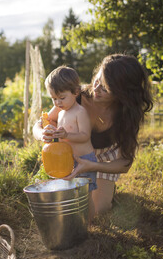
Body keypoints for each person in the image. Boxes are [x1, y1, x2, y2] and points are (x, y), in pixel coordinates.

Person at [33, 54, 153, 218]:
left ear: (122, 92)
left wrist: (92, 166)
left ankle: (107, 186)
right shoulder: (77, 96)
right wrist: (42, 134)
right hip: (74, 153)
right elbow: (40, 123)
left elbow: (125, 163)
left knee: (98, 212)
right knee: (72, 206)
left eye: (105, 88)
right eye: (97, 80)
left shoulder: (126, 114)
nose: (96, 89)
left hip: (104, 159)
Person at [41, 65, 98, 218]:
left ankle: (92, 223)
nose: (58, 103)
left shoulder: (80, 112)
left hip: (84, 160)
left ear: (76, 92)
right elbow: (62, 138)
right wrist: (53, 132)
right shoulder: (61, 114)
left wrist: (66, 134)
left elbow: (85, 136)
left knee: (86, 194)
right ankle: (76, 221)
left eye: (62, 98)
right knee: (70, 193)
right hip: (68, 160)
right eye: (54, 99)